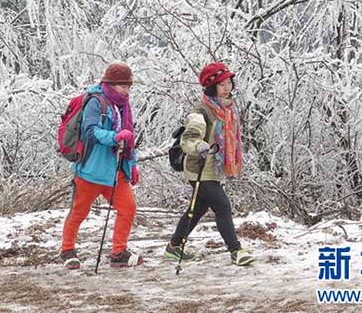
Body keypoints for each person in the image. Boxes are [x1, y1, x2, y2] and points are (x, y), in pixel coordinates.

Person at [164, 61, 254, 266]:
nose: (227, 87)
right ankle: (236, 250)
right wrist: (200, 146)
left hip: (214, 169)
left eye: (229, 83)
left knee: (198, 209)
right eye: (222, 84)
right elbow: (188, 140)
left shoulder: (229, 109)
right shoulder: (201, 111)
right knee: (222, 205)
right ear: (212, 86)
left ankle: (174, 246)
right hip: (200, 168)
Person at [60, 62, 142, 269]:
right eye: (122, 86)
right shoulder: (96, 102)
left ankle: (118, 252)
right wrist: (115, 137)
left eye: (128, 86)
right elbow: (90, 132)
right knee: (79, 212)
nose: (126, 90)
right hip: (91, 171)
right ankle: (67, 249)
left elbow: (129, 138)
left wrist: (132, 164)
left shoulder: (123, 105)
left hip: (116, 172)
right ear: (110, 84)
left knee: (128, 208)